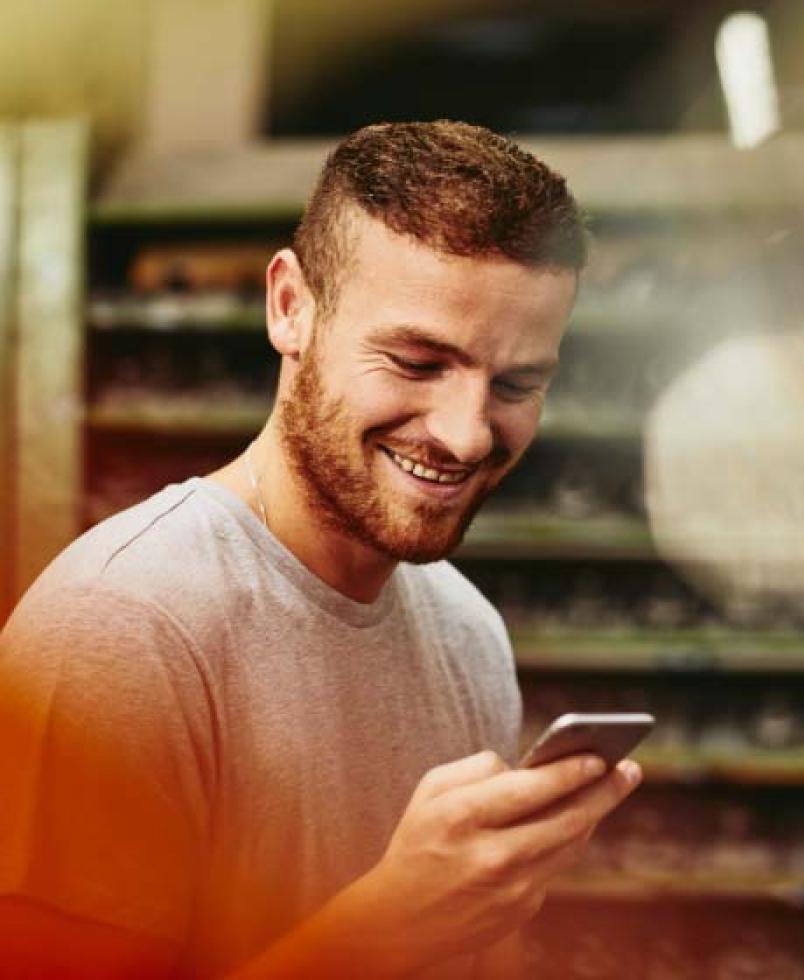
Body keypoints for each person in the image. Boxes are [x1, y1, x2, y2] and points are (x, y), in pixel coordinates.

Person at [0, 120, 641, 978]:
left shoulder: (468, 634)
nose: (466, 435)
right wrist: (387, 929)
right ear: (290, 306)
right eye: (417, 362)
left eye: (518, 383)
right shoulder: (119, 629)